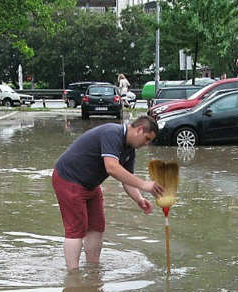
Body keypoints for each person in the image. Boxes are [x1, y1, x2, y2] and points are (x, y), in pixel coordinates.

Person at [52, 116, 164, 270]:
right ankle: (74, 276)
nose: (146, 144)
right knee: (76, 229)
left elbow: (126, 179)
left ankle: (93, 269)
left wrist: (139, 199)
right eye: (146, 139)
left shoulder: (129, 149)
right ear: (139, 129)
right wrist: (145, 184)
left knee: (97, 226)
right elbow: (111, 168)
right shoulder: (112, 133)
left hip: (91, 185)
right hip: (69, 178)